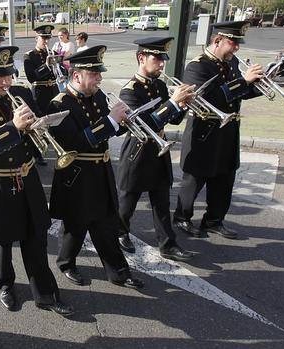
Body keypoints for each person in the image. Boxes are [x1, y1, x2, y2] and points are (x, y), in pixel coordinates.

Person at [0, 45, 75, 317]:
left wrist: (38, 127)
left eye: (8, 74)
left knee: (36, 237)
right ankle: (6, 284)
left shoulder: (20, 92)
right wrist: (13, 128)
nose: (6, 82)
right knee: (1, 241)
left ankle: (45, 293)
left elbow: (34, 130)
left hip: (27, 176)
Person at [45, 45, 144, 288]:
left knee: (107, 224)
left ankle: (119, 272)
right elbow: (77, 141)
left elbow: (107, 131)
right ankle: (66, 263)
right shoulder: (59, 105)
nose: (100, 77)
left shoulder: (97, 96)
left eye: (99, 73)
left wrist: (123, 121)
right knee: (75, 226)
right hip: (76, 174)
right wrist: (111, 121)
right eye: (94, 74)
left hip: (101, 171)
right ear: (77, 75)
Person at [174, 21, 264, 239]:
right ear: (217, 40)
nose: (236, 48)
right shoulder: (197, 66)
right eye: (233, 43)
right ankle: (182, 218)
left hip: (229, 129)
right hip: (205, 129)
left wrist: (259, 85)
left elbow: (238, 93)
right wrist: (243, 81)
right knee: (194, 179)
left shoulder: (229, 63)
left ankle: (214, 220)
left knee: (225, 178)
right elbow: (208, 98)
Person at [115, 37, 196, 261]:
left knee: (161, 200)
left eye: (163, 59)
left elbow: (173, 120)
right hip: (138, 149)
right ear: (142, 58)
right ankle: (120, 232)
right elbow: (145, 124)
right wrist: (172, 103)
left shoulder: (159, 85)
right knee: (127, 200)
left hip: (160, 149)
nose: (162, 64)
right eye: (157, 59)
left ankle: (167, 244)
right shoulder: (129, 91)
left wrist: (182, 104)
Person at [23, 24, 67, 166]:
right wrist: (46, 66)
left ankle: (55, 146)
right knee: (39, 122)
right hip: (39, 93)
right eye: (43, 38)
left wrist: (59, 67)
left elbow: (61, 72)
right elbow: (31, 77)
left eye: (48, 38)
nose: (46, 41)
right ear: (37, 37)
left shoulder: (52, 52)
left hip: (53, 90)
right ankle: (37, 153)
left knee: (54, 120)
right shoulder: (29, 56)